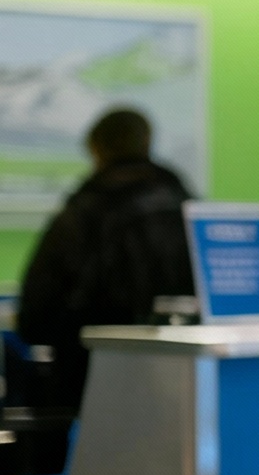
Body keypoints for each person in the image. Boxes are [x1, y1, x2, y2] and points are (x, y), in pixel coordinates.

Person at [16, 106, 194, 412]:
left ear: (96, 149)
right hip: (178, 378)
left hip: (92, 380)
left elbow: (36, 312)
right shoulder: (185, 205)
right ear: (147, 141)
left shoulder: (83, 211)